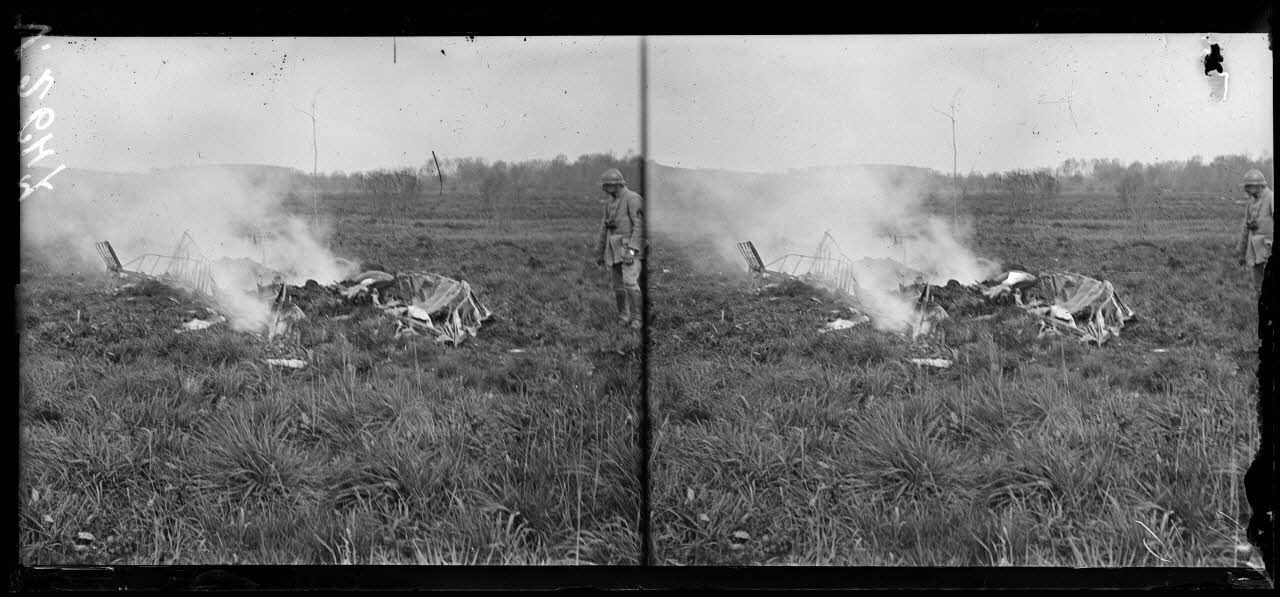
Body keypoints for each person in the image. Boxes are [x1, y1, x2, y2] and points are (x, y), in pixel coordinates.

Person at [595, 168, 644, 330]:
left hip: (630, 251)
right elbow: (604, 228)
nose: (605, 189)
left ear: (616, 184)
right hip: (614, 250)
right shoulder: (609, 203)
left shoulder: (633, 198)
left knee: (630, 283)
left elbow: (640, 226)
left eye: (608, 186)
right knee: (618, 286)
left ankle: (638, 318)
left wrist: (632, 250)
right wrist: (599, 252)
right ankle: (624, 316)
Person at [1236, 169, 1274, 291]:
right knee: (1258, 286)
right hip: (1255, 251)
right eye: (1247, 187)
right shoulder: (1251, 203)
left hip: (1269, 249)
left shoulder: (1271, 198)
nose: (1249, 189)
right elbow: (1245, 229)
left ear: (1260, 185)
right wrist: (1241, 252)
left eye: (1251, 186)